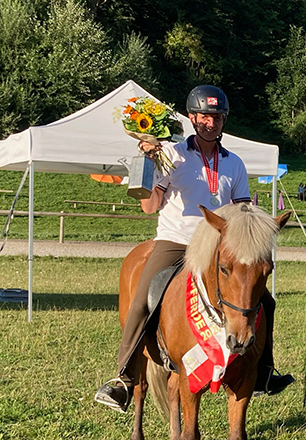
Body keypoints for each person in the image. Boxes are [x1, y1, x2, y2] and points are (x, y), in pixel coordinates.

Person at [94, 85, 293, 412]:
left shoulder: (235, 164)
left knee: (265, 301)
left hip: (217, 246)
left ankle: (264, 373)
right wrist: (146, 164)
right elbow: (150, 206)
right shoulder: (171, 154)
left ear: (223, 120)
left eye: (215, 117)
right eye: (203, 116)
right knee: (144, 296)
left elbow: (242, 212)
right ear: (191, 118)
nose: (209, 123)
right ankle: (124, 378)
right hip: (176, 242)